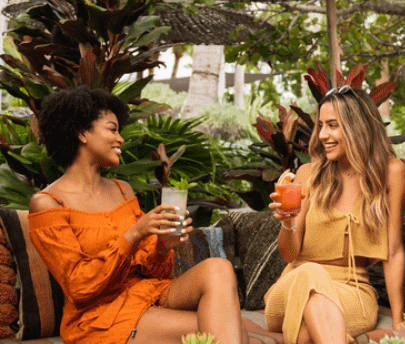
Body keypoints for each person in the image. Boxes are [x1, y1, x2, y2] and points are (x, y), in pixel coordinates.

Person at [28, 87, 244, 344]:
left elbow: (157, 274)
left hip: (146, 295)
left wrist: (163, 247)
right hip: (98, 317)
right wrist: (135, 233)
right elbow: (79, 287)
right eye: (112, 129)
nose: (120, 139)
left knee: (218, 268)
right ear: (82, 132)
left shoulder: (122, 190)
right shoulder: (48, 203)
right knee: (226, 330)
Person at [264, 86, 405, 344]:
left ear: (358, 127)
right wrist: (288, 225)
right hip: (291, 287)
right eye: (321, 125)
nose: (322, 135)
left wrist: (398, 320)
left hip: (353, 292)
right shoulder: (308, 174)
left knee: (307, 334)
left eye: (332, 125)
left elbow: (394, 251)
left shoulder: (391, 172)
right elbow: (289, 255)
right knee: (311, 272)